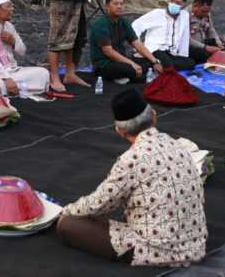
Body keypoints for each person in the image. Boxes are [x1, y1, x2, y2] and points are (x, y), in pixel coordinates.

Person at [57, 89, 207, 267]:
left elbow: (100, 203)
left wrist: (65, 212)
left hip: (159, 251)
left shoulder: (132, 159)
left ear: (119, 130)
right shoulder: (178, 144)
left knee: (68, 225)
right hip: (196, 245)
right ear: (153, 116)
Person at [89, 0, 164, 84]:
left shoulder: (124, 22)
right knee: (129, 69)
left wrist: (154, 61)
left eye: (121, 4)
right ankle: (127, 76)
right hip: (104, 64)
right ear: (107, 6)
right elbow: (108, 52)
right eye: (116, 4)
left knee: (149, 63)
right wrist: (132, 64)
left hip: (121, 61)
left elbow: (137, 43)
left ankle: (128, 76)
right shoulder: (101, 24)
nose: (119, 6)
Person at [131, 0, 195, 70]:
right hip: (155, 49)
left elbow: (184, 37)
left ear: (183, 5)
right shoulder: (157, 13)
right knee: (167, 63)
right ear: (168, 1)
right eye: (172, 1)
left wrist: (182, 54)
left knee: (190, 63)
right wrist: (138, 47)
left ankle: (159, 66)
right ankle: (159, 64)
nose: (174, 4)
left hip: (171, 52)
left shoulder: (184, 16)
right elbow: (136, 25)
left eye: (178, 3)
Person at [188, 0, 222, 64]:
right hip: (190, 47)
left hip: (203, 43)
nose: (206, 14)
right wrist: (205, 47)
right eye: (203, 11)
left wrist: (219, 43)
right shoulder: (185, 15)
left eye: (208, 11)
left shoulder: (206, 13)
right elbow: (186, 39)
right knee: (205, 55)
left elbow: (211, 30)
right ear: (195, 6)